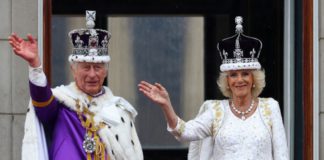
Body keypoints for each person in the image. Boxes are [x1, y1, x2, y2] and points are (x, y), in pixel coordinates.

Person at [138, 16, 289, 160]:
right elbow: (184, 132)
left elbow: (282, 156)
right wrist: (166, 105)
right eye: (233, 75)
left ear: (254, 79)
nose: (240, 80)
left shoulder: (270, 108)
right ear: (227, 81)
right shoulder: (216, 111)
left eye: (245, 74)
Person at [9, 10, 143, 160]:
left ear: (105, 72)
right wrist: (35, 65)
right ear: (73, 70)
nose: (92, 74)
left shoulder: (120, 111)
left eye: (97, 67)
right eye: (86, 67)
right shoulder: (62, 103)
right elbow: (42, 101)